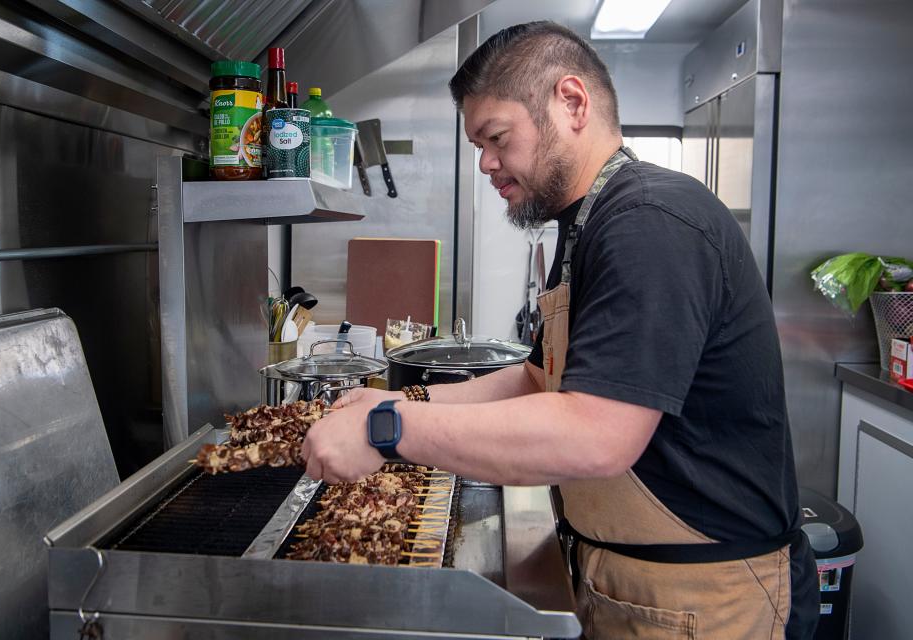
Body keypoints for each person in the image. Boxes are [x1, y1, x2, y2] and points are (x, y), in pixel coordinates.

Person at [302, 20, 818, 639]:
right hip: (635, 578)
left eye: (496, 138)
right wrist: (400, 398)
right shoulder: (590, 223)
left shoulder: (649, 223)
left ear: (572, 102)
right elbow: (536, 380)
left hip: (704, 597)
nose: (488, 164)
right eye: (479, 148)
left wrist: (386, 431)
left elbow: (597, 436)